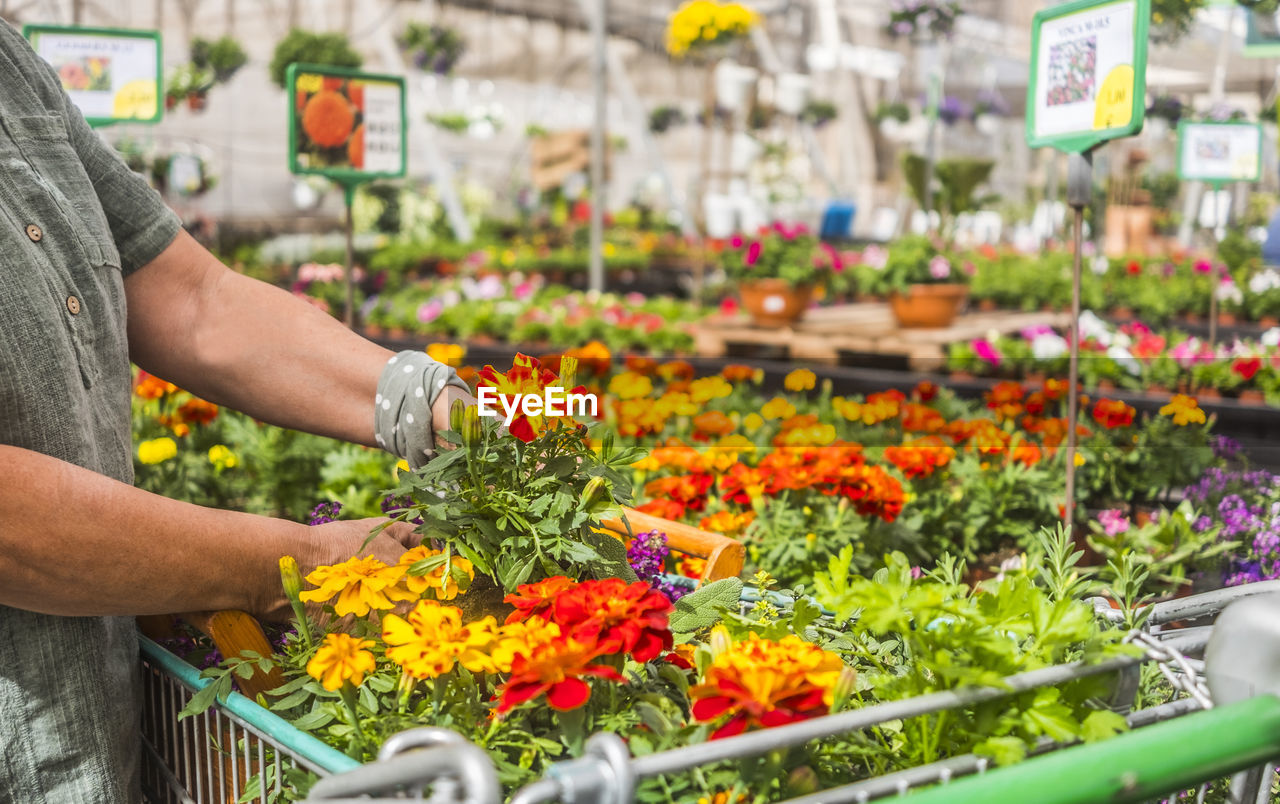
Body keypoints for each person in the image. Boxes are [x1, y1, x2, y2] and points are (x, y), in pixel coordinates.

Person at [0, 20, 472, 803]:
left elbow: (196, 299)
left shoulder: (11, 63)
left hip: (90, 736)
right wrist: (298, 562)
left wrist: (427, 402)